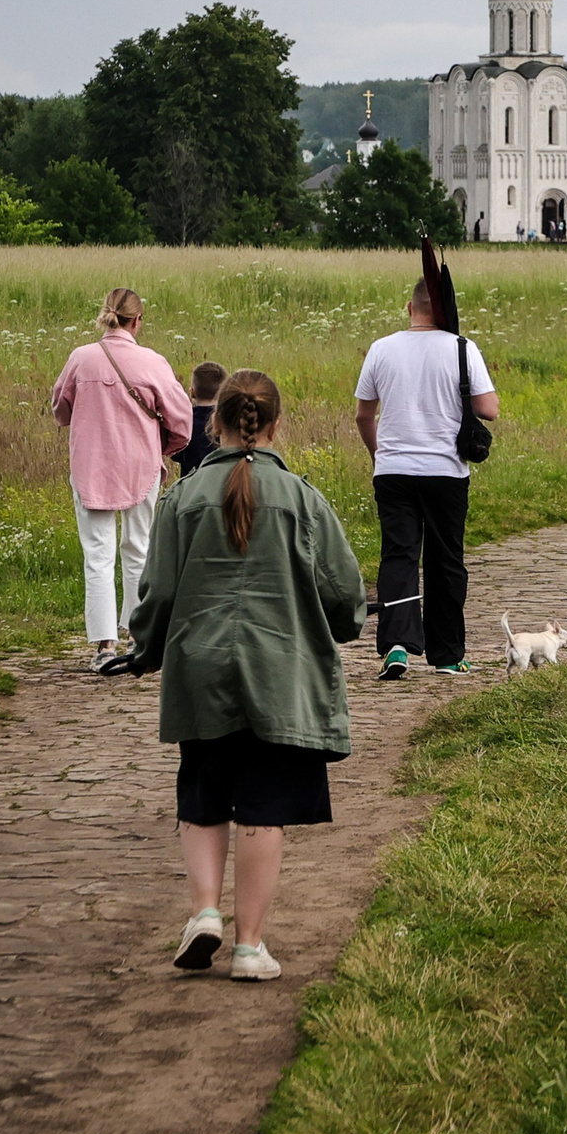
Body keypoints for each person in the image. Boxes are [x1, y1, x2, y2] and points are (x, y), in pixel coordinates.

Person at [127, 371, 362, 984]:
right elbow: (343, 593)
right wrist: (342, 624)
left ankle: (204, 913)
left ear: (217, 423)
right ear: (275, 424)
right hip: (279, 673)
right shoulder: (304, 499)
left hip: (200, 669)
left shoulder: (182, 498)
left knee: (203, 791)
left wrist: (146, 649)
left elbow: (159, 593)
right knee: (264, 804)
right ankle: (250, 947)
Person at [356, 244, 498, 679]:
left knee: (398, 556)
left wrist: (379, 453)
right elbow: (489, 409)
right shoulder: (461, 348)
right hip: (446, 471)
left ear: (409, 308)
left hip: (394, 470)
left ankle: (397, 646)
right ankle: (448, 653)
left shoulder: (381, 349)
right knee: (445, 560)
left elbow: (364, 414)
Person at [52, 289, 191, 670]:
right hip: (141, 466)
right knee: (139, 549)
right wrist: (165, 447)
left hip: (90, 467)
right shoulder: (152, 362)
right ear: (137, 321)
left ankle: (103, 645)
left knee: (97, 555)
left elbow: (59, 408)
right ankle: (137, 637)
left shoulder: (81, 358)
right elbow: (181, 419)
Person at [175, 361, 228, 477]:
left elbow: (175, 452)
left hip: (190, 487)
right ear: (224, 393)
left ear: (192, 392)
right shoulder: (229, 422)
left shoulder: (185, 421)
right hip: (222, 486)